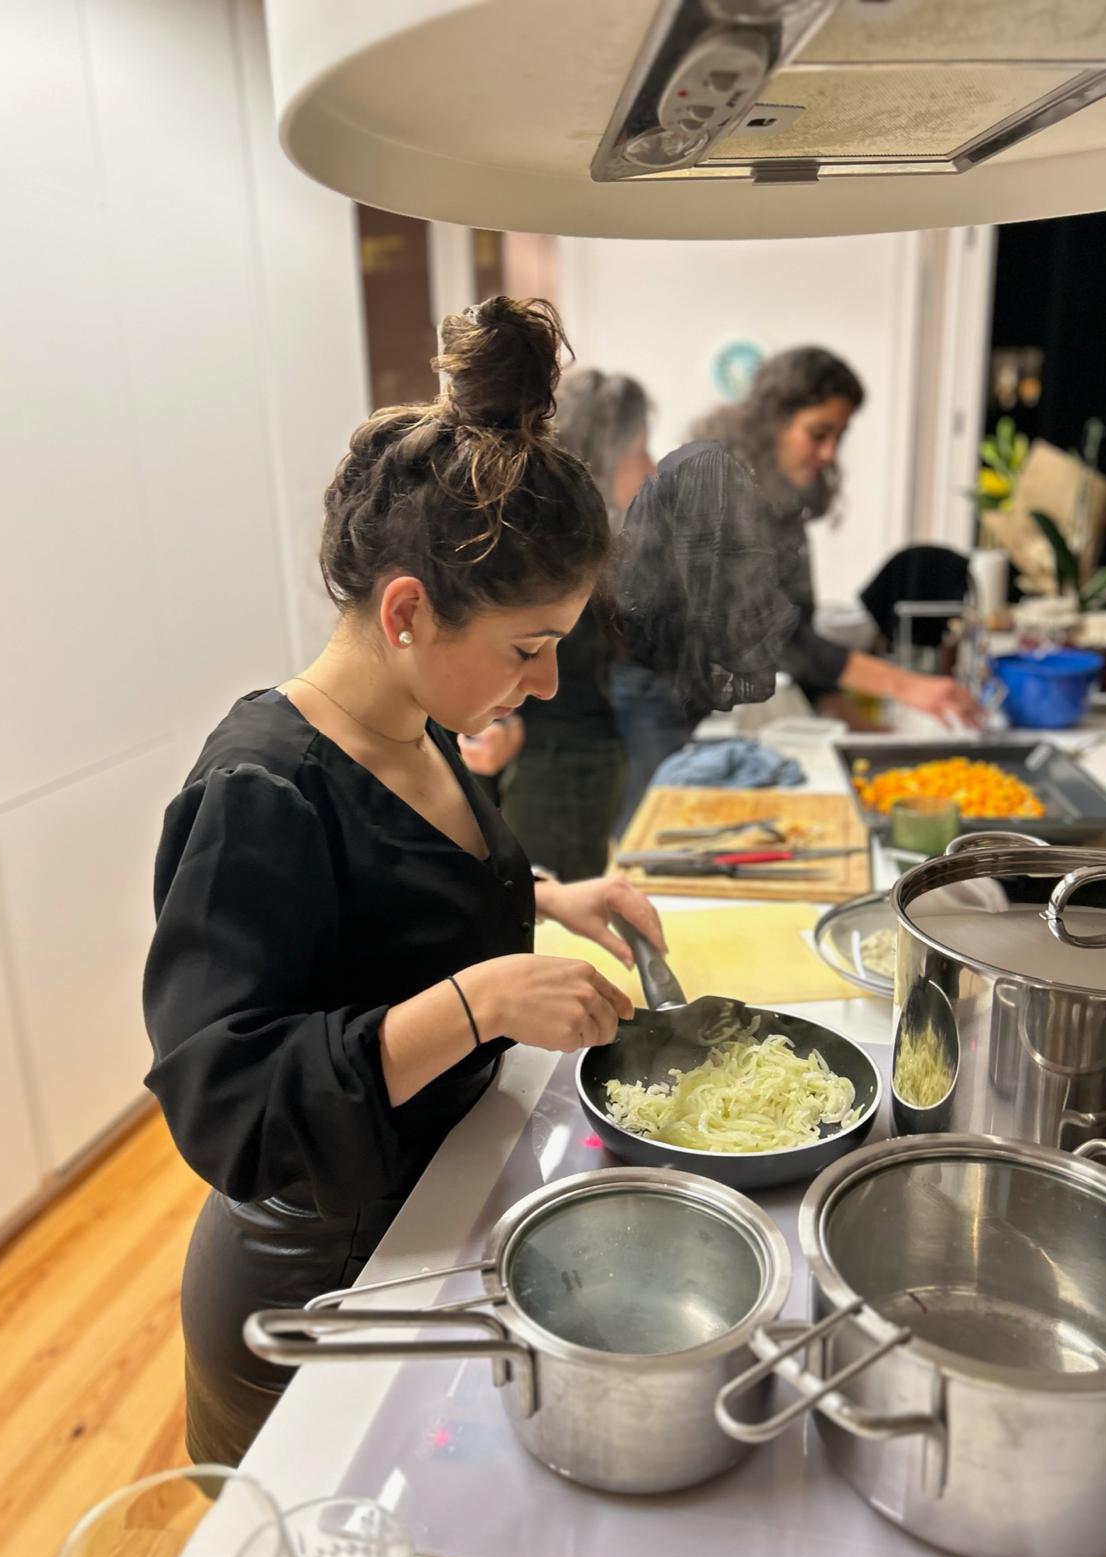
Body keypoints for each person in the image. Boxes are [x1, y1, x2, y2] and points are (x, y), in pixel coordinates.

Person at [142, 297, 666, 1467]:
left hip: (428, 1212)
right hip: (310, 1285)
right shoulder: (259, 790)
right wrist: (478, 1006)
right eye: (527, 647)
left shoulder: (418, 727)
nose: (540, 685)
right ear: (406, 611)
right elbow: (223, 1101)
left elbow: (393, 900)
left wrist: (551, 897)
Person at [695, 346, 981, 728]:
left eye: (839, 436)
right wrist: (905, 685)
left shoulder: (781, 505)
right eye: (818, 434)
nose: (829, 453)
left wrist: (839, 711)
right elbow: (774, 639)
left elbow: (799, 628)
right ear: (771, 422)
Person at [461, 369, 654, 878]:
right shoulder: (551, 543)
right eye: (640, 450)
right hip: (557, 761)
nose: (651, 467)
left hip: (577, 751)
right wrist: (500, 723)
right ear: (604, 453)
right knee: (557, 916)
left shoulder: (590, 536)